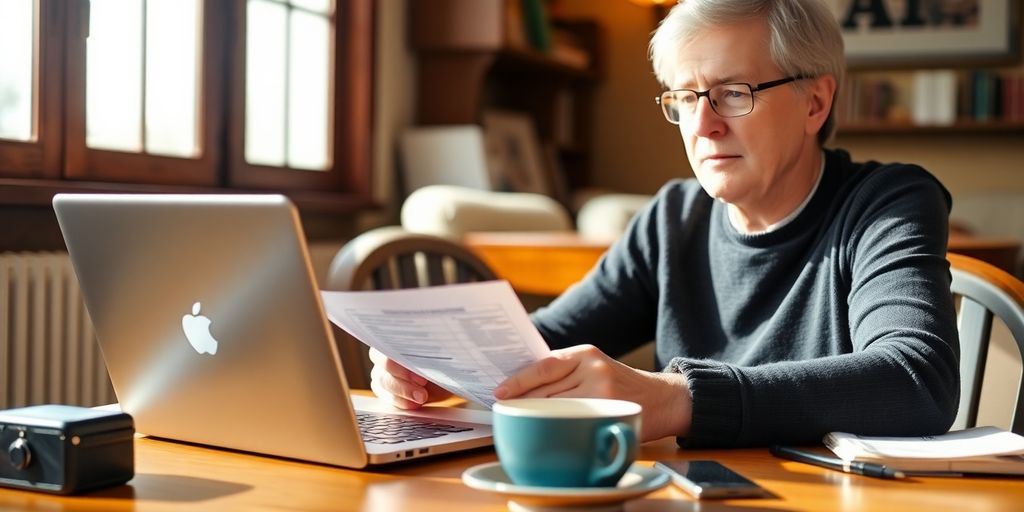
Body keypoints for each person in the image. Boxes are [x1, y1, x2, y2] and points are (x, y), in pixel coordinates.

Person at [369, 0, 959, 448]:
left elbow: (915, 379)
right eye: (684, 96)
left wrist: (678, 400)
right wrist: (438, 363)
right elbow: (545, 341)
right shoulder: (673, 217)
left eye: (733, 93)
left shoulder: (888, 202)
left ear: (815, 103)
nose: (703, 125)